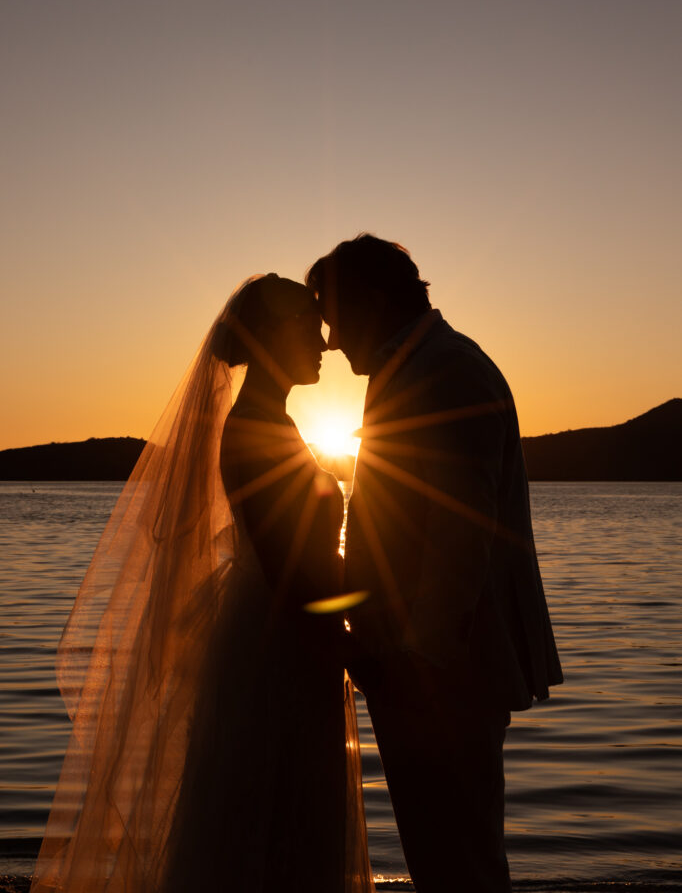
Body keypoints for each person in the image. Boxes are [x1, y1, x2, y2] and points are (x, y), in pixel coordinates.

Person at [30, 274, 374, 893]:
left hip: (282, 640)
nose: (323, 341)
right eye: (306, 325)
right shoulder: (253, 432)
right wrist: (349, 645)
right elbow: (289, 571)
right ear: (270, 338)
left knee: (275, 823)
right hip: (280, 650)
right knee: (270, 820)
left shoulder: (273, 425)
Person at [306, 235, 563, 893]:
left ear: (371, 301)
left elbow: (457, 538)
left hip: (443, 670)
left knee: (459, 860)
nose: (330, 341)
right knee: (444, 852)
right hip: (425, 667)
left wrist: (415, 661)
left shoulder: (446, 371)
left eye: (334, 319)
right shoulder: (418, 367)